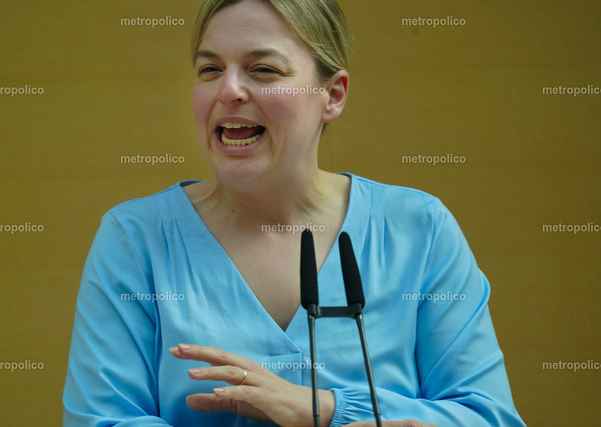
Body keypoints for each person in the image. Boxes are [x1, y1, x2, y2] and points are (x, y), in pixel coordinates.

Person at [63, 0, 526, 425]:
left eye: (263, 69)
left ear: (333, 95)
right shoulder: (135, 239)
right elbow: (102, 420)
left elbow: (487, 418)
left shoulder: (419, 230)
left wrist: (325, 409)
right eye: (209, 69)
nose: (228, 90)